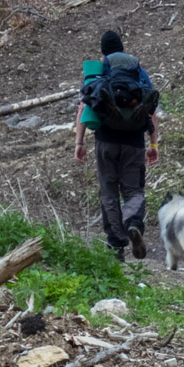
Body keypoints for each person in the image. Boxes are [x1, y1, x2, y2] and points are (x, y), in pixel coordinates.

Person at [73, 30, 160, 260]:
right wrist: (154, 144)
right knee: (133, 191)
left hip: (105, 141)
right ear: (122, 48)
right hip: (134, 142)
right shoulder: (137, 71)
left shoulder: (97, 71)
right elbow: (150, 108)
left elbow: (84, 107)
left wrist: (79, 142)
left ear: (103, 51)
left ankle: (116, 245)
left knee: (109, 193)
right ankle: (133, 224)